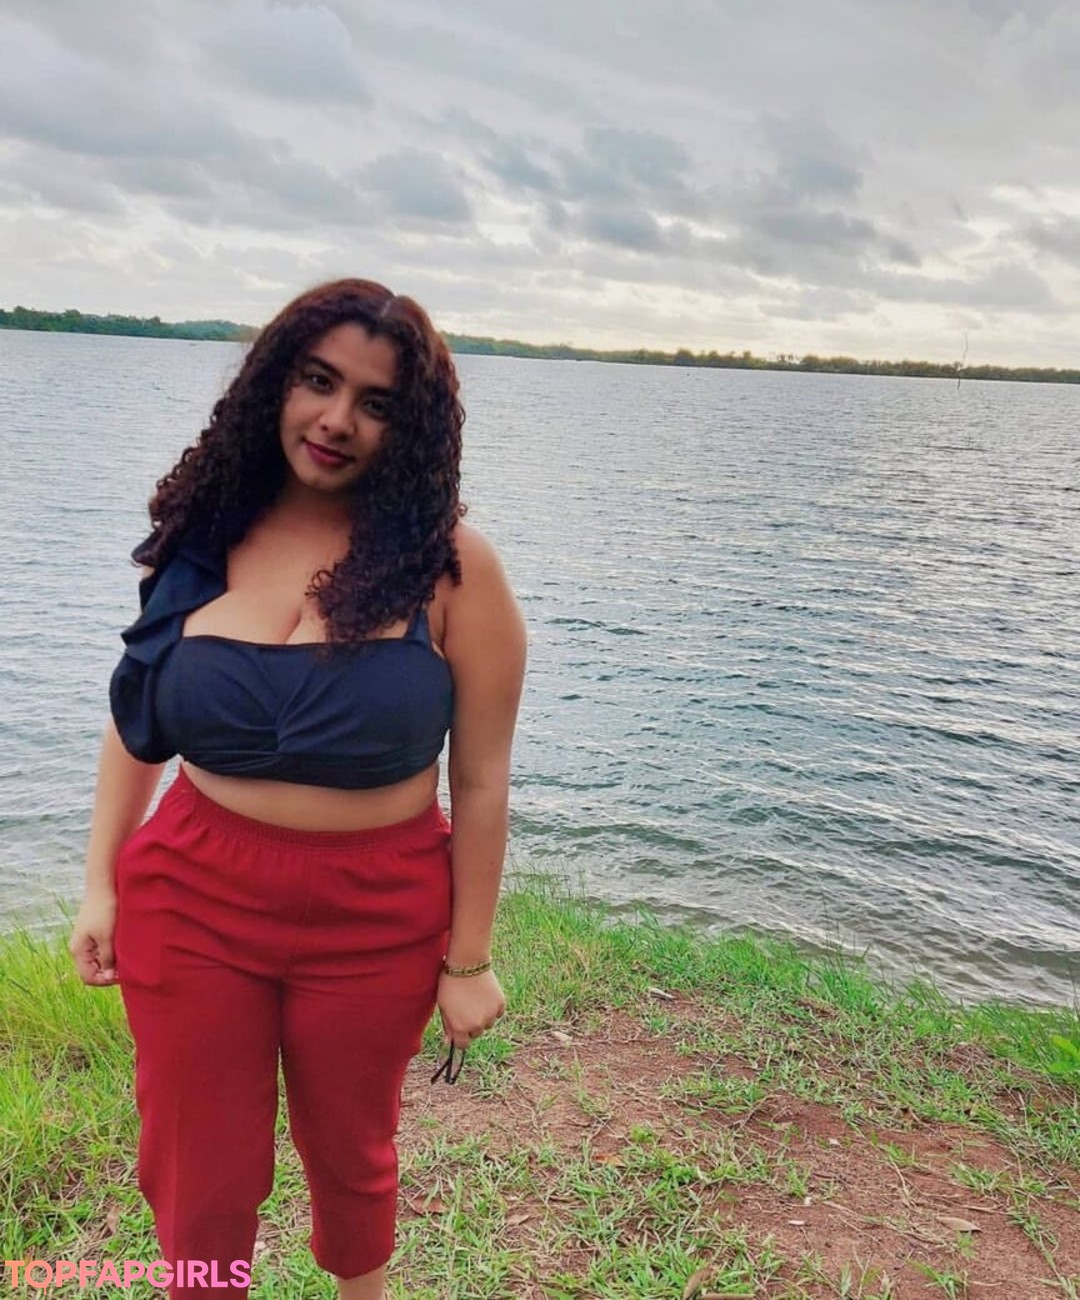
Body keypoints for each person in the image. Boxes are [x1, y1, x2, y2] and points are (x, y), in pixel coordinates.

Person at [68, 279, 527, 1300]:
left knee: (352, 1155)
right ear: (275, 383)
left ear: (411, 429)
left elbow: (482, 778)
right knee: (198, 1166)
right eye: (318, 381)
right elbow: (137, 715)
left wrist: (469, 958)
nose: (336, 419)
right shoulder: (203, 539)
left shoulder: (454, 571)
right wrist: (100, 882)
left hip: (376, 909)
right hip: (192, 894)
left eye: (375, 402)